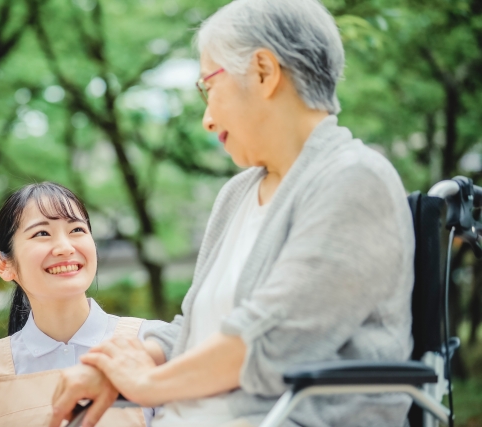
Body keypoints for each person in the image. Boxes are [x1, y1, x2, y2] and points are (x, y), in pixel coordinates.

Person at [49, 0, 415, 426]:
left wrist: (148, 384)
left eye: (209, 86)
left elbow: (274, 340)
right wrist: (114, 366)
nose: (206, 119)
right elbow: (198, 332)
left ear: (263, 71)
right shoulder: (238, 193)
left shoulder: (354, 179)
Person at [0, 182, 165, 426]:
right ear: (4, 265)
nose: (65, 248)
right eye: (41, 233)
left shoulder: (152, 342)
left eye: (76, 230)